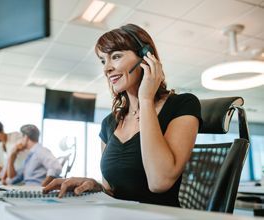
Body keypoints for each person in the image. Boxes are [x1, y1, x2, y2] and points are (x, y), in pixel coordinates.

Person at [44, 24, 202, 207]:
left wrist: (145, 100)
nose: (106, 69)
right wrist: (96, 186)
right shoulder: (109, 123)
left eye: (116, 56)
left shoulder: (182, 104)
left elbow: (159, 182)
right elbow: (111, 190)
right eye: (103, 61)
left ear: (146, 57)